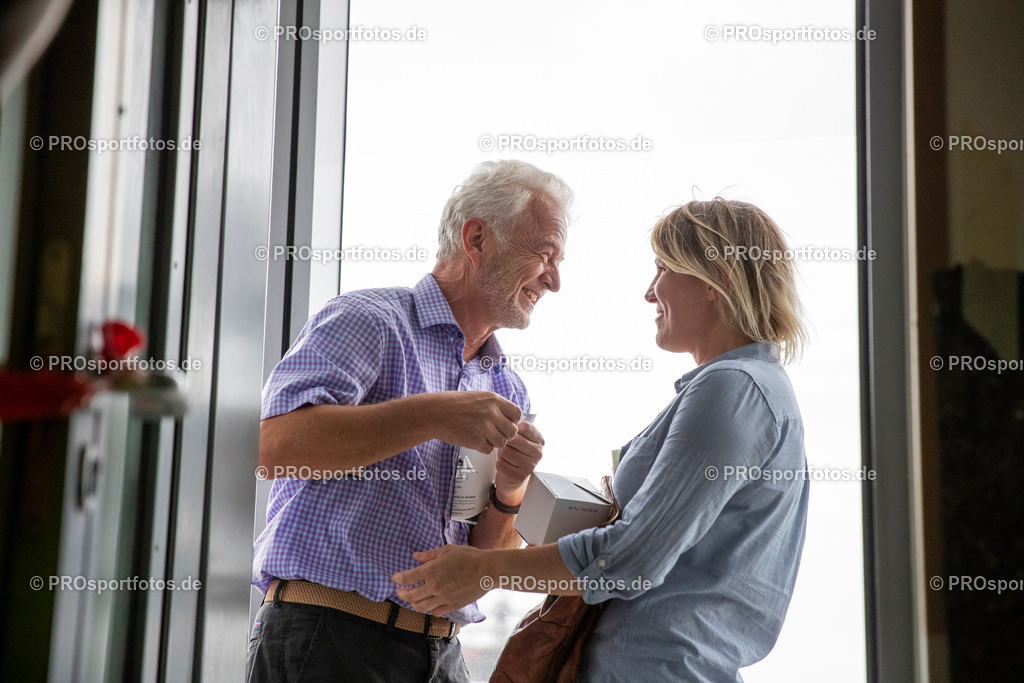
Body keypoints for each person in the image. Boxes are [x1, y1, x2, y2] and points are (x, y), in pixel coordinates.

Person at [393, 198, 810, 682]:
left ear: (715, 279)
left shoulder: (732, 389)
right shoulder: (750, 389)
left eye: (662, 269)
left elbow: (633, 557)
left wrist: (482, 570)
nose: (649, 293)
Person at [247, 160, 573, 682]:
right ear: (477, 238)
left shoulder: (508, 387)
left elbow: (485, 558)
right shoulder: (370, 321)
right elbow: (274, 449)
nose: (554, 280)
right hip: (331, 639)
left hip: (441, 656)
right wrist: (433, 414)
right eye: (545, 254)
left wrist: (510, 488)